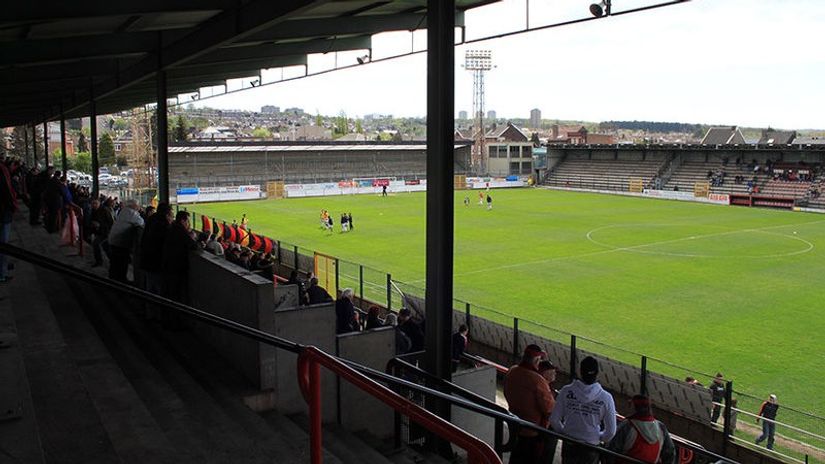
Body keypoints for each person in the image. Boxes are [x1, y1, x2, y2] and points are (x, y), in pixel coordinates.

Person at [550, 356, 617, 464]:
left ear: (580, 371)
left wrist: (566, 432)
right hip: (591, 446)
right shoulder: (606, 397)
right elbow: (611, 431)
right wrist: (597, 437)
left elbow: (554, 419)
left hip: (570, 442)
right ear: (597, 373)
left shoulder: (566, 391)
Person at [503, 344, 555, 464]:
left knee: (516, 456)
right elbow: (549, 410)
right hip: (533, 431)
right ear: (536, 360)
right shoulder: (537, 380)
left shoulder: (512, 371)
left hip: (515, 424)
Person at [607, 395, 675, 464]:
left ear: (634, 408)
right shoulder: (661, 427)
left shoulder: (627, 426)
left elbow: (611, 450)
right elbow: (670, 452)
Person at [107, 199, 145, 283]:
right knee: (122, 263)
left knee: (115, 263)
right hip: (120, 243)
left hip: (114, 241)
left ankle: (113, 280)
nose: (139, 207)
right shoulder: (131, 213)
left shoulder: (124, 211)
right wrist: (142, 213)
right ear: (134, 206)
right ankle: (120, 281)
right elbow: (141, 223)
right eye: (138, 206)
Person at [140, 202, 173, 295]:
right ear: (167, 214)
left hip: (147, 259)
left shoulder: (151, 219)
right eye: (171, 215)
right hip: (156, 262)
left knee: (150, 286)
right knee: (157, 289)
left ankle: (148, 307)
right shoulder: (164, 225)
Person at [537, 360, 559, 464]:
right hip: (544, 427)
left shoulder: (545, 385)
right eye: (552, 371)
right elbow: (549, 410)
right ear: (545, 374)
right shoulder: (543, 388)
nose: (555, 373)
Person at [0, 159, 17, 283]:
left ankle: (3, 267)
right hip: (3, 213)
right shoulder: (2, 171)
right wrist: (12, 207)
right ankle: (2, 272)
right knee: (3, 243)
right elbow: (7, 192)